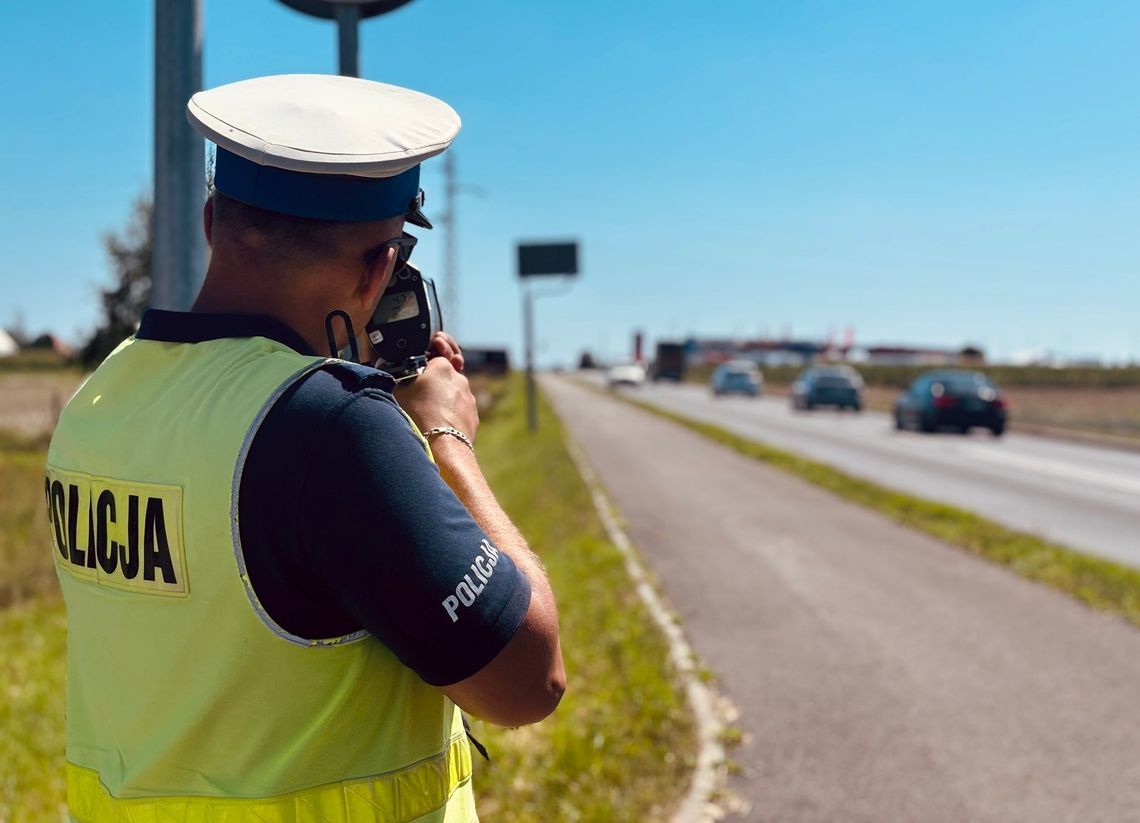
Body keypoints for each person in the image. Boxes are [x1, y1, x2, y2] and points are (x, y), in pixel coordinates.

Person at [46, 74, 565, 822]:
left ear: (212, 222)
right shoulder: (329, 426)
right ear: (378, 267)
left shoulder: (101, 400)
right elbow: (529, 678)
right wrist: (447, 437)